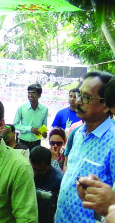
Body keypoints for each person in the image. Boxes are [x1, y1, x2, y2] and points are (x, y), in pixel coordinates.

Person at [56, 71, 115, 223]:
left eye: (86, 97)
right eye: (79, 95)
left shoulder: (113, 142)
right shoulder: (77, 133)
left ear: (106, 105)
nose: (78, 102)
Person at [30, 146, 63, 223]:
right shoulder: (25, 172)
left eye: (40, 171)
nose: (35, 174)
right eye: (33, 169)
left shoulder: (58, 180)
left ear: (49, 165)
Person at [13, 83, 48, 150]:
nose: (30, 95)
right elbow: (15, 125)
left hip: (36, 142)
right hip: (22, 141)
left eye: (33, 93)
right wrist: (30, 129)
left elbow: (44, 125)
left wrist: (44, 132)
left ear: (39, 95)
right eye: (29, 93)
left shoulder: (44, 109)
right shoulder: (21, 108)